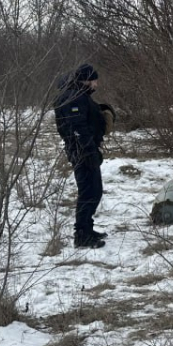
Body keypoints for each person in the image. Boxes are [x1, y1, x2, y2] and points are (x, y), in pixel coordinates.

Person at [54, 64, 113, 248]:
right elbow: (78, 128)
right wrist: (89, 151)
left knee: (93, 190)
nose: (96, 84)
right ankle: (82, 236)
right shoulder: (74, 98)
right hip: (82, 152)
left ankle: (87, 228)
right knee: (89, 192)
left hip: (84, 150)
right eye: (95, 81)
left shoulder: (79, 96)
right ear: (86, 80)